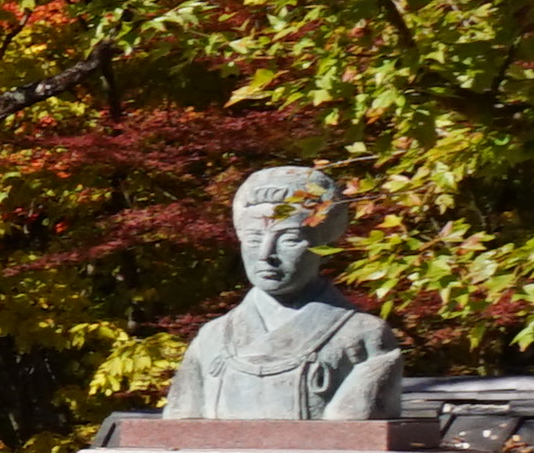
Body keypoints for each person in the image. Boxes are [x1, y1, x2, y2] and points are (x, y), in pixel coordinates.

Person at [163, 163, 404, 421]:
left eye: (289, 240)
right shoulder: (212, 338)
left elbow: (357, 431)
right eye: (254, 239)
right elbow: (179, 425)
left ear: (324, 247)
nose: (266, 255)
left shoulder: (363, 336)